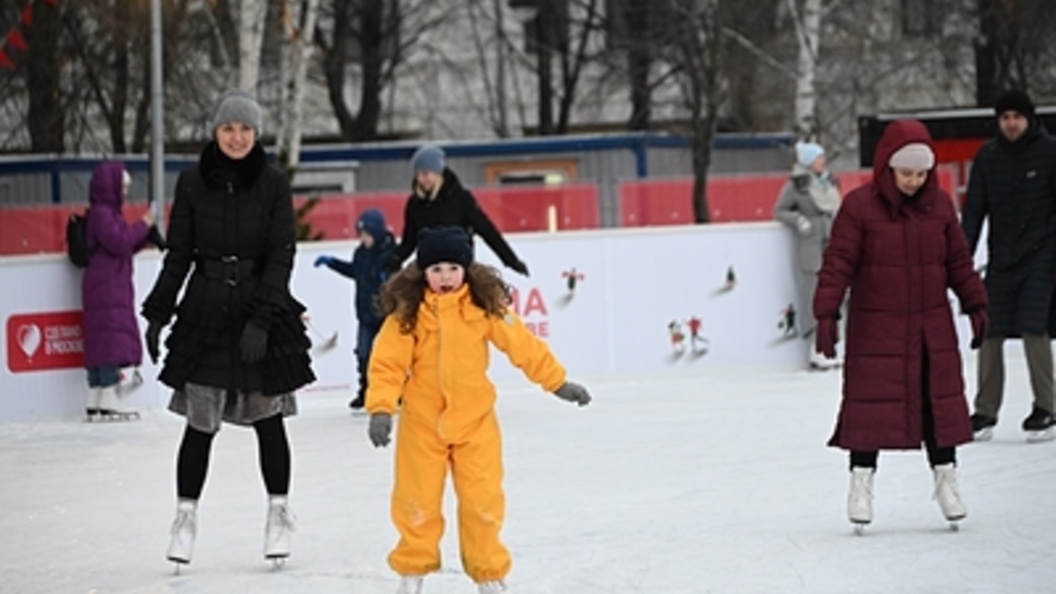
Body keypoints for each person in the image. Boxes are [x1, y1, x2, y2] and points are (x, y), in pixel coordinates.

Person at [140, 89, 315, 567]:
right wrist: (158, 312)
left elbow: (282, 253)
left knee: (268, 419)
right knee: (200, 425)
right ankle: (184, 519)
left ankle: (279, 513)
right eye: (227, 128)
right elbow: (179, 255)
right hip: (206, 311)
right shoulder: (193, 182)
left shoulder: (274, 183)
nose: (236, 137)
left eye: (245, 129)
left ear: (256, 134)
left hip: (260, 305)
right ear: (215, 133)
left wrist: (263, 318)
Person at [365, 226, 591, 594]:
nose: (445, 278)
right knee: (415, 502)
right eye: (436, 269)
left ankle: (489, 576)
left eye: (453, 268)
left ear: (466, 269)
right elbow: (387, 364)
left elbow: (523, 346)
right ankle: (412, 574)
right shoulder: (408, 314)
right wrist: (380, 409)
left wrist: (557, 382)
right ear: (422, 272)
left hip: (475, 424)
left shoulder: (484, 308)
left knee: (482, 504)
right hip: (423, 425)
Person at [813, 119, 988, 530]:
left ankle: (947, 481)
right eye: (906, 172)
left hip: (930, 327)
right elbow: (838, 262)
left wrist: (976, 302)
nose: (913, 180)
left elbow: (958, 262)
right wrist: (826, 312)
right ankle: (860, 484)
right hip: (877, 328)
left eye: (921, 173)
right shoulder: (859, 207)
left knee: (936, 408)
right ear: (887, 168)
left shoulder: (941, 206)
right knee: (868, 409)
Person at [961, 89, 1056, 442]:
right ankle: (985, 411)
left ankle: (1046, 407)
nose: (1011, 123)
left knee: (1034, 327)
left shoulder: (1049, 152)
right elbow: (973, 212)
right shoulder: (988, 157)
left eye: (1017, 117)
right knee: (990, 330)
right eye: (1005, 118)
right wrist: (959, 258)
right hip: (1002, 259)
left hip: (1041, 255)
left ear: (1029, 119)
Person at [81, 162, 158, 421]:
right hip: (107, 287)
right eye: (122, 186)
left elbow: (121, 245)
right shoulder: (102, 213)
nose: (125, 192)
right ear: (110, 186)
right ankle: (110, 394)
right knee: (110, 340)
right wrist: (145, 222)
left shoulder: (105, 213)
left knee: (103, 339)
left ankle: (98, 395)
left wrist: (146, 237)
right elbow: (118, 240)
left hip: (107, 283)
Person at [385, 144, 530, 277]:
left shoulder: (460, 199)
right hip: (429, 271)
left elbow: (487, 230)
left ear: (438, 173)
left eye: (426, 173)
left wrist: (511, 260)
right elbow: (409, 240)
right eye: (418, 174)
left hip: (459, 269)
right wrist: (395, 259)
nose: (422, 179)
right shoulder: (415, 204)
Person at [313, 208, 397, 410]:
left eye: (367, 234)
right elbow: (354, 271)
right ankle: (366, 390)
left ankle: (396, 391)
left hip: (387, 315)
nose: (364, 238)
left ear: (376, 233)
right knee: (363, 353)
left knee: (390, 356)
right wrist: (332, 263)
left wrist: (390, 281)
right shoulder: (361, 253)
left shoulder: (391, 254)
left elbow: (401, 280)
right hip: (365, 315)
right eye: (361, 234)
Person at [773, 140, 842, 370]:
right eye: (818, 158)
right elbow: (780, 210)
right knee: (812, 296)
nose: (823, 162)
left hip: (833, 244)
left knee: (835, 296)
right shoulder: (796, 185)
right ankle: (815, 347)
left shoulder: (831, 181)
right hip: (811, 247)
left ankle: (832, 344)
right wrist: (799, 220)